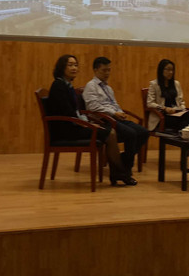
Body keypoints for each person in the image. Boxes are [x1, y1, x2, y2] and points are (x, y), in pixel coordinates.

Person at [45, 54, 132, 186]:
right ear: (61, 67)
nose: (74, 68)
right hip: (66, 130)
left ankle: (118, 173)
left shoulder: (66, 85)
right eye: (70, 65)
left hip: (72, 126)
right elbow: (67, 113)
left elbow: (75, 112)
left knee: (110, 132)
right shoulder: (58, 85)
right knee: (110, 133)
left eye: (76, 65)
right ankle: (120, 173)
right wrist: (86, 125)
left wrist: (88, 123)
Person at [83, 56, 149, 185]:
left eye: (109, 70)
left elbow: (114, 104)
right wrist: (114, 113)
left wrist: (120, 112)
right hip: (104, 121)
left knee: (143, 132)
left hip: (115, 119)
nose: (107, 73)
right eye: (104, 70)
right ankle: (125, 172)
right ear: (95, 70)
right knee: (131, 134)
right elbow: (92, 107)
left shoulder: (108, 88)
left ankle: (122, 162)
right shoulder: (91, 86)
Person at [146, 58, 189, 170]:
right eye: (167, 69)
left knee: (187, 119)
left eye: (172, 70)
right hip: (162, 117)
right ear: (161, 70)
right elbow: (150, 103)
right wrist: (164, 108)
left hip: (176, 114)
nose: (170, 72)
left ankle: (187, 159)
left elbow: (181, 102)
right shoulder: (154, 84)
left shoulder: (176, 84)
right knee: (186, 125)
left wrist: (180, 109)